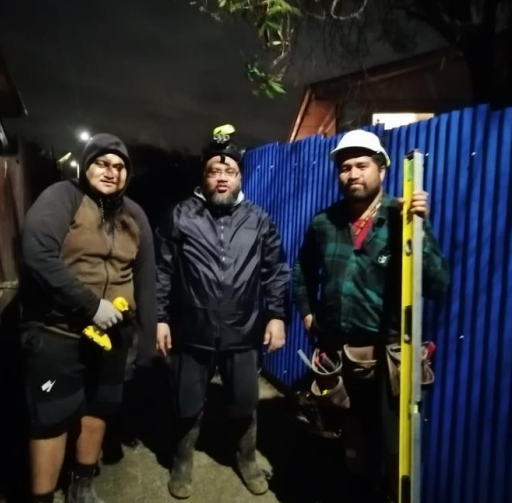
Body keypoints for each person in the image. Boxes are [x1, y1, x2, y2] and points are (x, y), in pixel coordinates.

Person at [292, 129, 449, 502]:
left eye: (362, 165)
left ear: (382, 170)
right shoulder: (323, 223)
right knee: (347, 440)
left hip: (388, 358)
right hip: (338, 354)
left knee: (394, 448)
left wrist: (419, 230)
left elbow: (439, 284)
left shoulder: (403, 217)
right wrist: (307, 313)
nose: (352, 174)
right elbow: (302, 270)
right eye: (345, 168)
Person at [20, 134, 156, 503]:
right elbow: (37, 254)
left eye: (120, 166)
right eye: (102, 163)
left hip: (114, 337)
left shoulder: (135, 214)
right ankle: (42, 497)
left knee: (99, 408)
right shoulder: (62, 197)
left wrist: (146, 338)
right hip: (57, 332)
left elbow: (146, 278)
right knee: (49, 420)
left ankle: (82, 486)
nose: (111, 172)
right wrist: (90, 305)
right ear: (86, 165)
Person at [156, 125, 290, 499]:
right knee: (186, 403)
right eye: (214, 171)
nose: (221, 179)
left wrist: (277, 315)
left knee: (246, 402)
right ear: (204, 175)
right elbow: (161, 270)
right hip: (191, 330)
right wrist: (161, 319)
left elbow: (276, 270)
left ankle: (246, 458)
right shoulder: (179, 215)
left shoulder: (258, 219)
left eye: (229, 172)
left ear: (239, 176)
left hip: (242, 330)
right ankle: (182, 460)